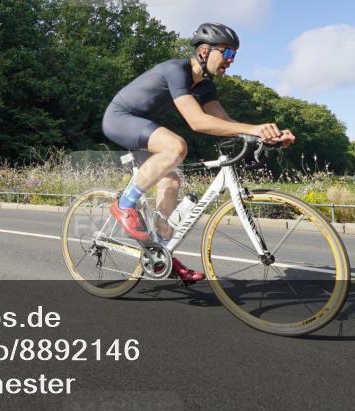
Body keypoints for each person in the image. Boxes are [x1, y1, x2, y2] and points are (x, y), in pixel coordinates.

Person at [102, 22, 295, 284]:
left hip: (144, 128)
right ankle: (123, 205)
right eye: (227, 53)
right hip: (120, 118)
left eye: (234, 55)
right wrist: (256, 129)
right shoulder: (176, 70)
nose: (231, 61)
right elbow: (197, 122)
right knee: (176, 146)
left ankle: (159, 253)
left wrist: (264, 134)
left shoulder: (204, 86)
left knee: (171, 182)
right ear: (204, 51)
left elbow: (224, 123)